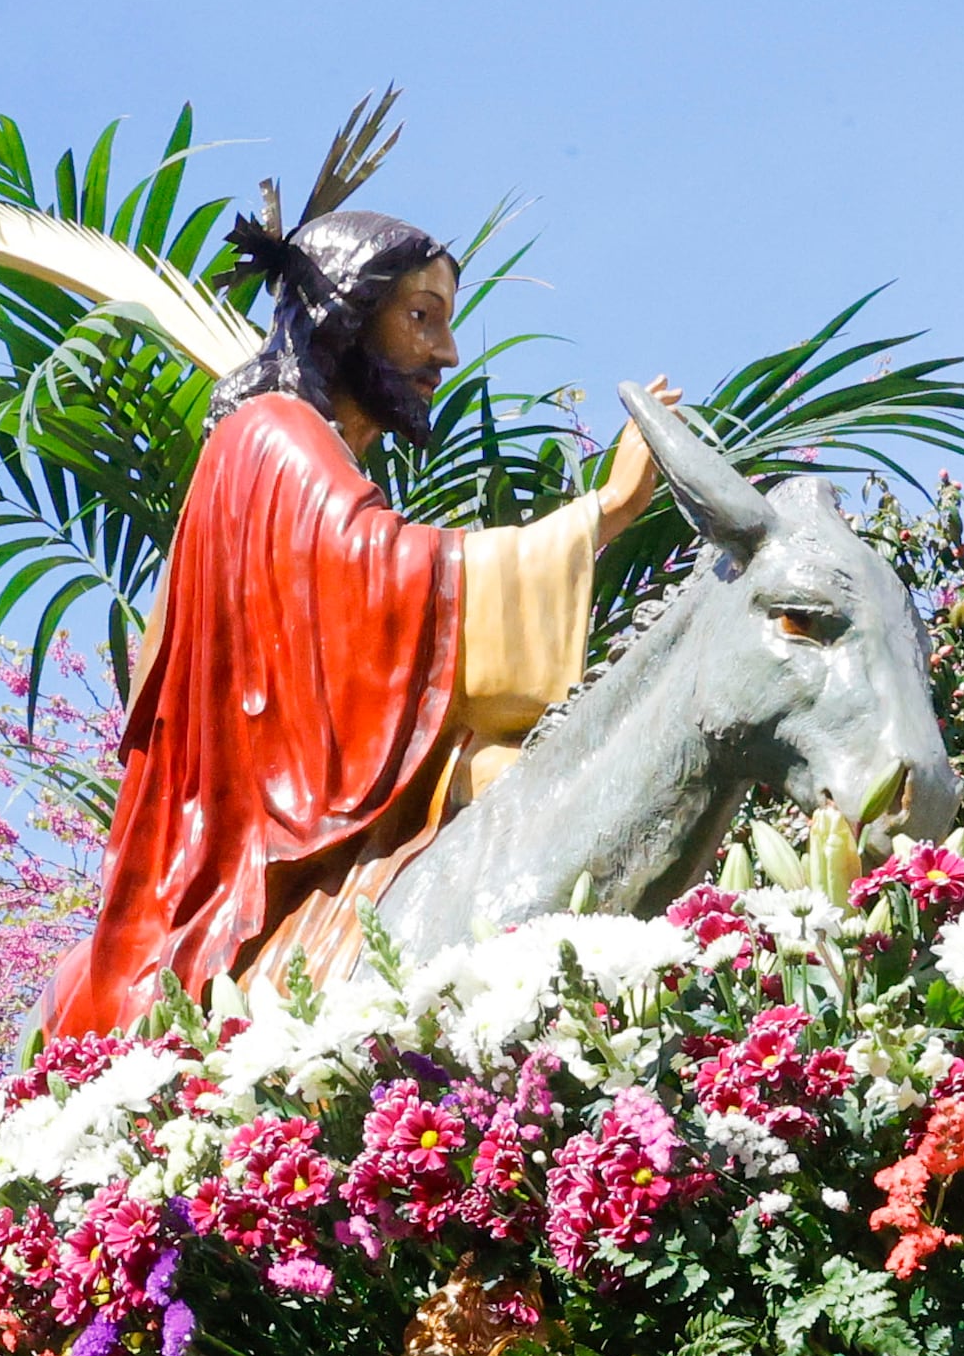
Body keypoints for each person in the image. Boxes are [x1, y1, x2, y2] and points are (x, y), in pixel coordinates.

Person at [42, 199, 672, 1037]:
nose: (445, 354)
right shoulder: (271, 434)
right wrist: (605, 511)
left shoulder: (303, 448)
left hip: (324, 779)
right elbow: (378, 578)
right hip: (244, 831)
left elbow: (352, 638)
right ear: (343, 317)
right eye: (421, 318)